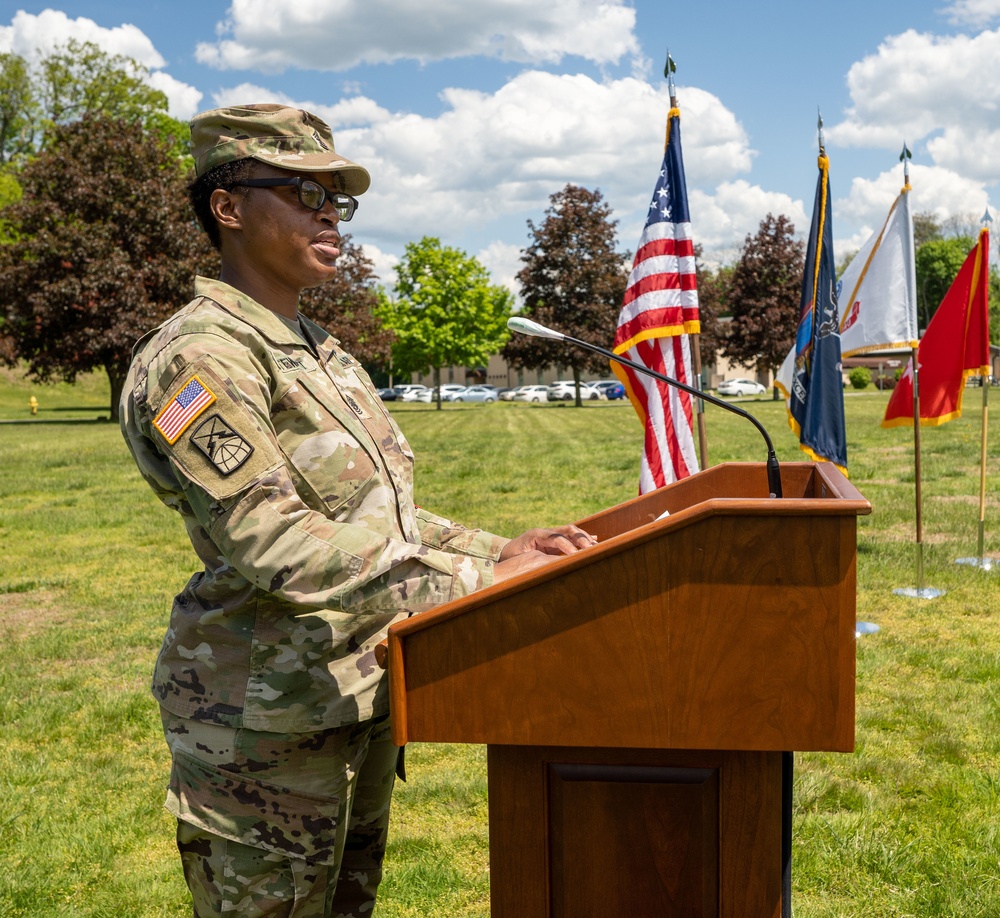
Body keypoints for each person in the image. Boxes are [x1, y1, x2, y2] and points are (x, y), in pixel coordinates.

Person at [119, 103, 596, 918]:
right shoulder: (201, 358)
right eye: (303, 192)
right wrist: (485, 577)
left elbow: (381, 516)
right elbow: (276, 543)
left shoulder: (317, 348)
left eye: (337, 197)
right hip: (262, 729)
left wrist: (501, 545)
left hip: (355, 693)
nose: (329, 212)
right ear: (228, 208)